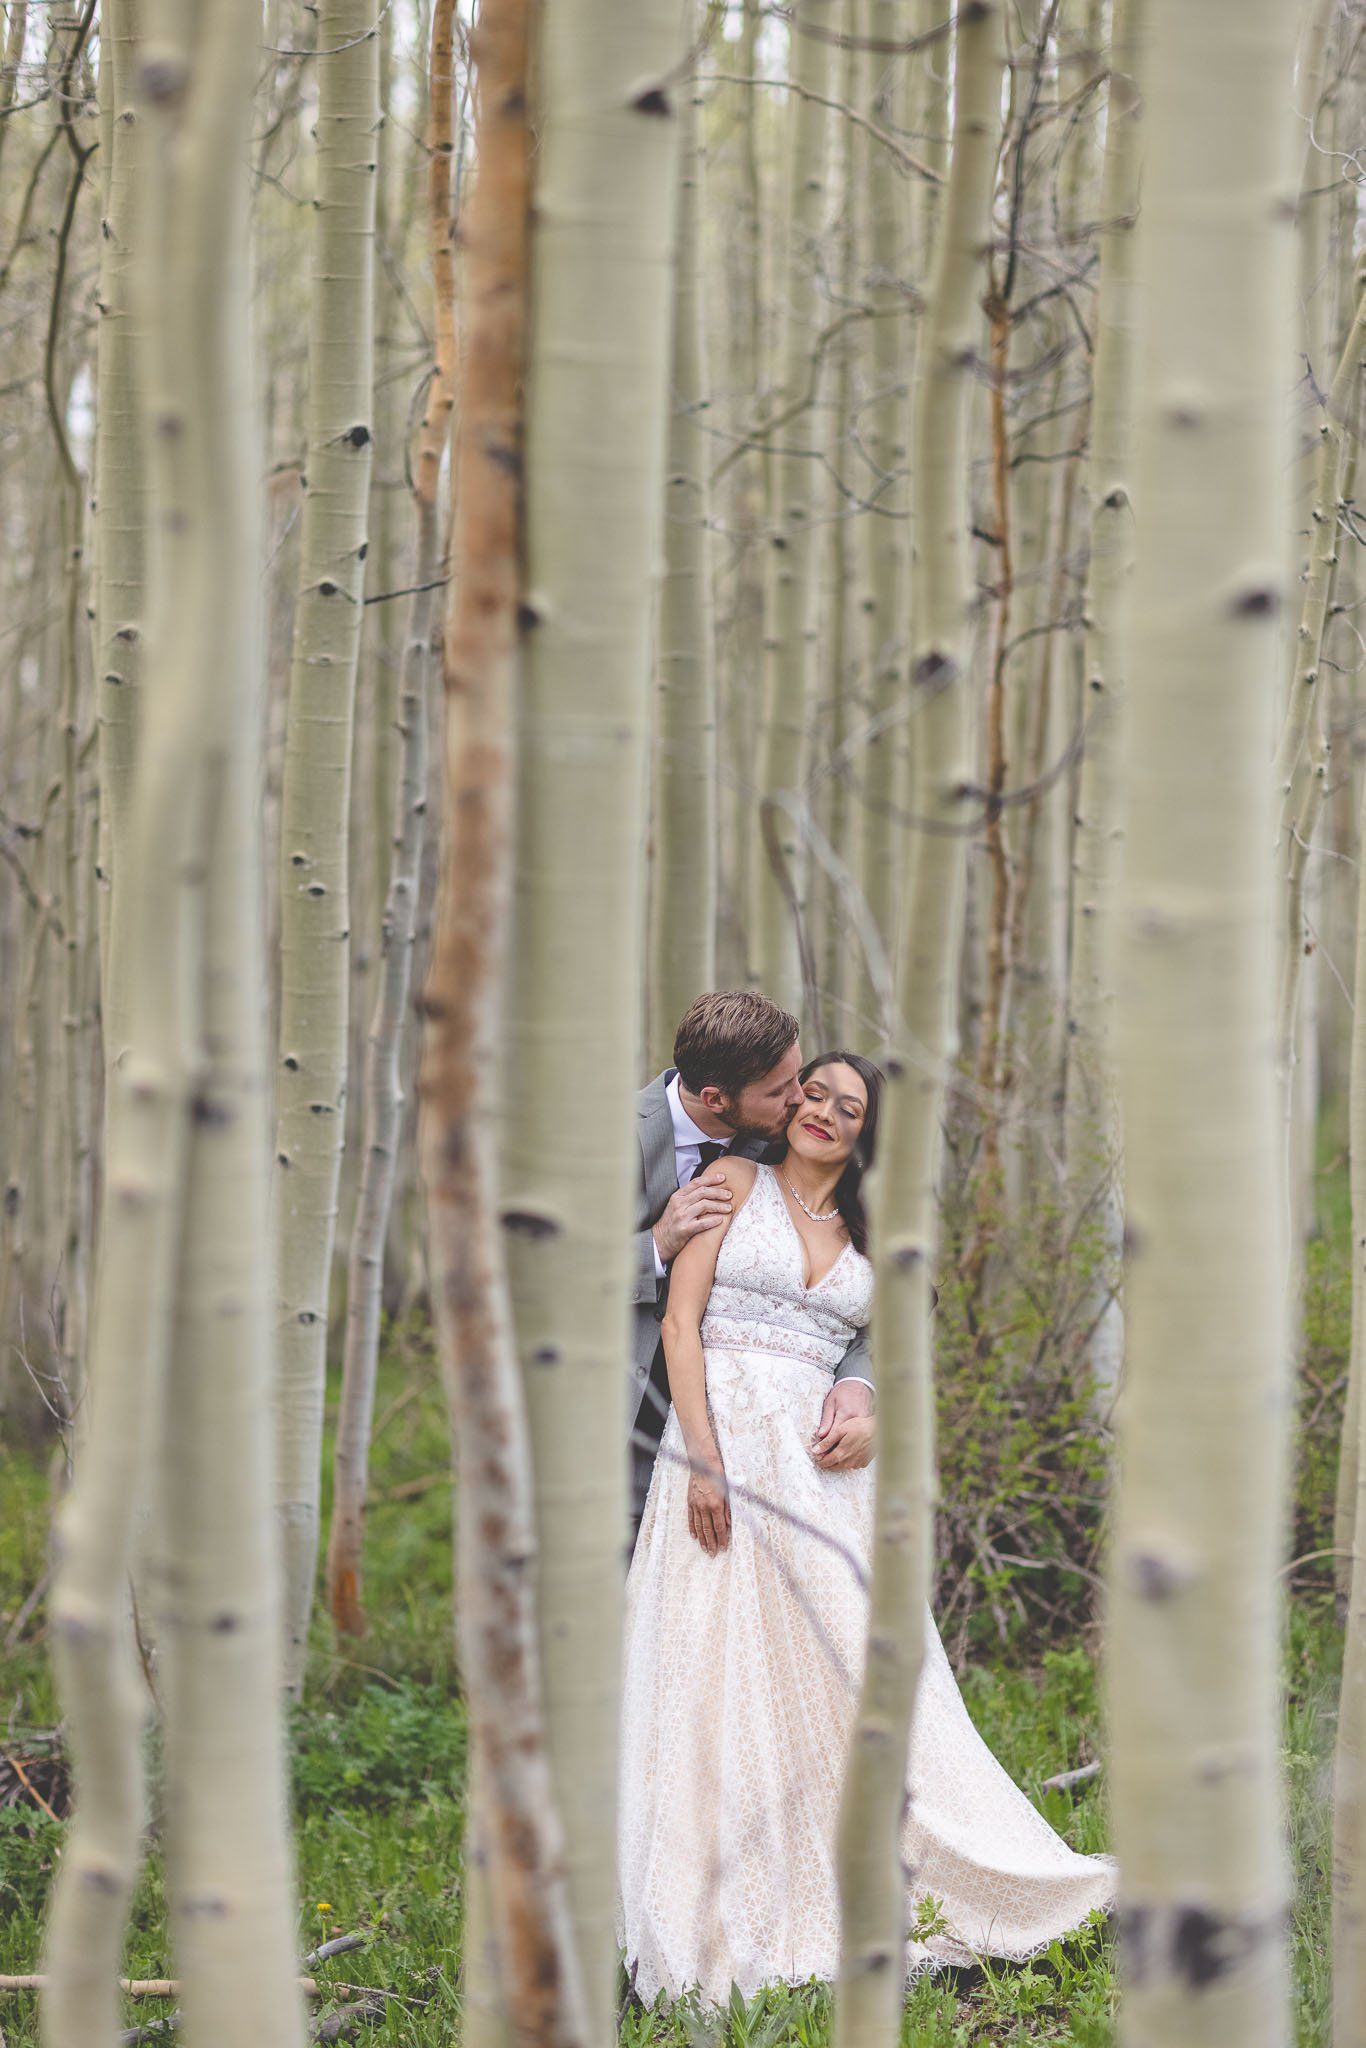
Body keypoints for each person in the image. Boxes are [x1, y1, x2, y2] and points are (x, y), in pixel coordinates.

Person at [618, 1050, 1115, 2004]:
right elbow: (681, 1327)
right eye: (812, 1094)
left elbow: (883, 1342)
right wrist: (704, 1462)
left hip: (823, 1481)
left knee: (845, 1668)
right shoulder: (732, 1179)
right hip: (720, 1453)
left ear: (864, 1133)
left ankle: (933, 1870)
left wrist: (870, 1401)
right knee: (719, 1671)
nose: (823, 1113)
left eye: (848, 1107)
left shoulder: (869, 1234)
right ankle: (728, 1897)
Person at [631, 991, 875, 1528]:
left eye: (799, 1080)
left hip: (784, 1454)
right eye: (784, 1090)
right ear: (717, 1099)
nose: (800, 1100)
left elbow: (866, 1315)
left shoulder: (783, 1141)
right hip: (614, 1417)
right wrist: (656, 1245)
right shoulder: (607, 1136)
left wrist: (862, 1386)